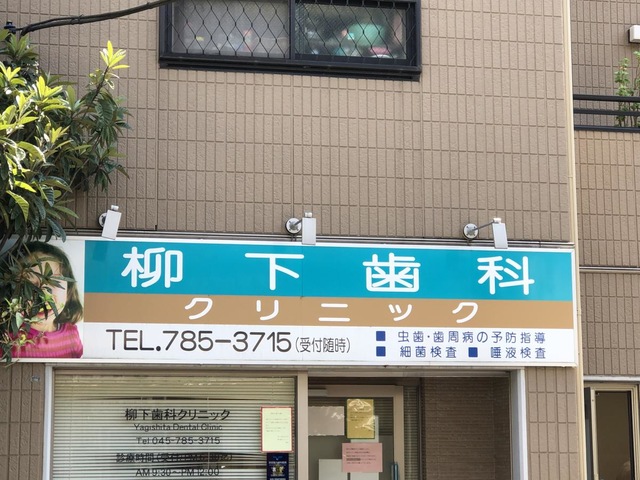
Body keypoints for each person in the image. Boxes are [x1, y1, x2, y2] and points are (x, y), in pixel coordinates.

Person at [12, 242, 83, 358]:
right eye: (29, 285)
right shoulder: (7, 338)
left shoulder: (71, 334)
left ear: (68, 291)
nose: (43, 294)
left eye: (53, 282)